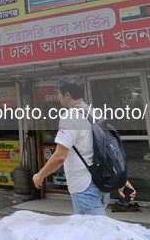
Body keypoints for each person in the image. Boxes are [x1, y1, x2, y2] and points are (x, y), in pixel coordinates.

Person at [32, 75, 136, 215]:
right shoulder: (94, 112)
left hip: (84, 188)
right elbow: (104, 151)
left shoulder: (69, 117)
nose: (58, 97)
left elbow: (60, 157)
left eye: (58, 93)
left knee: (95, 232)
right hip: (100, 185)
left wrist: (40, 175)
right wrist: (121, 179)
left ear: (67, 95)